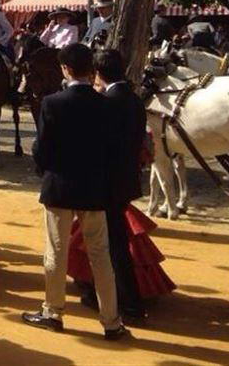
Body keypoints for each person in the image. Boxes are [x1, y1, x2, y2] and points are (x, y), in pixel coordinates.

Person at [22, 43, 128, 340]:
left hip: (60, 187)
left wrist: (46, 172)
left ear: (65, 69)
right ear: (91, 70)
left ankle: (53, 312)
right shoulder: (106, 104)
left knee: (56, 251)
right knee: (101, 257)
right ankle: (111, 321)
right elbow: (112, 151)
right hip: (94, 190)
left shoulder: (52, 103)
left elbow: (42, 149)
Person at [68, 50, 174, 317]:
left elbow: (98, 147)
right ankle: (106, 295)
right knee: (111, 243)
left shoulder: (107, 102)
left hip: (105, 184)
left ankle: (128, 304)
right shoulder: (134, 100)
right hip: (125, 180)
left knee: (111, 246)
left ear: (99, 74)